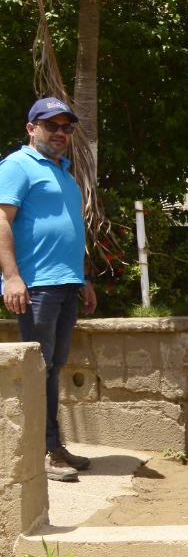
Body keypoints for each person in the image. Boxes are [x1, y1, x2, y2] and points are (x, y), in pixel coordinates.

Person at [0, 97, 97, 483]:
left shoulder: (64, 173)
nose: (59, 133)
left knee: (52, 369)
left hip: (64, 283)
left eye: (65, 127)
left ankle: (52, 445)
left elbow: (68, 232)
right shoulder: (17, 166)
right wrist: (11, 277)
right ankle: (42, 451)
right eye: (50, 125)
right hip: (36, 286)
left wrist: (83, 278)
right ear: (31, 128)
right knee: (39, 370)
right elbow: (2, 221)